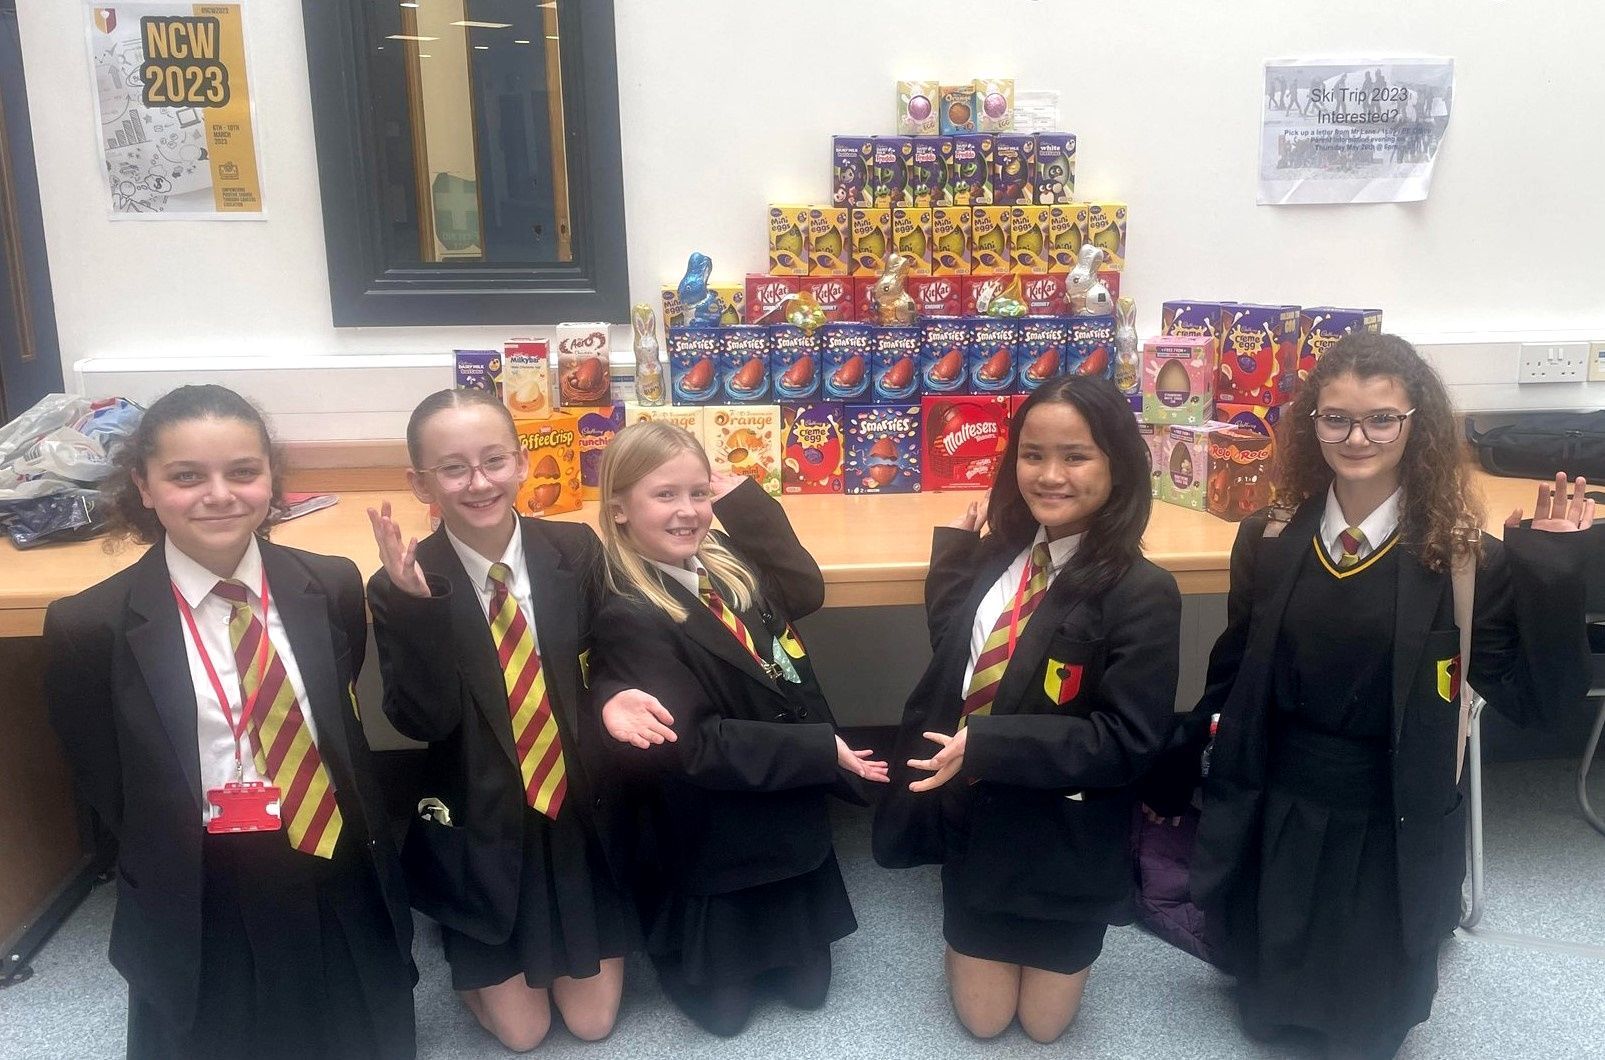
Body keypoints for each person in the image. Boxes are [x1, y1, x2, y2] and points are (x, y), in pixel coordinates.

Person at [1156, 332, 1594, 1059]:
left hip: (1387, 812)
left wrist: (1550, 571)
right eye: (1335, 418)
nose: (1356, 437)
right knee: (1268, 1012)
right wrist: (1178, 769)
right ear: (1311, 423)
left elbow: (1536, 702)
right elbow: (1231, 674)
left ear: (1413, 424)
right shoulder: (1267, 538)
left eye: (1380, 418)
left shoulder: (1458, 557)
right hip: (1281, 804)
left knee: (1365, 1030)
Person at [44, 385, 416, 1059]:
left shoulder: (328, 584)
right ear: (145, 486)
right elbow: (105, 778)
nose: (219, 493)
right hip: (198, 877)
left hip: (330, 855)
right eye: (186, 476)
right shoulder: (88, 626)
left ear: (271, 479)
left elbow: (337, 720)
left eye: (243, 471)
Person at [873, 374, 1183, 1043]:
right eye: (1031, 454)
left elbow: (1126, 741)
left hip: (1066, 841)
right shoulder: (1003, 554)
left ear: (1119, 465)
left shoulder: (1142, 592)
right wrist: (955, 559)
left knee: (1044, 1028)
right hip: (980, 827)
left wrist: (986, 745)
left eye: (1075, 455)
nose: (1048, 475)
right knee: (984, 1023)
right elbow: (967, 656)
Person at [367, 388, 664, 1050]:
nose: (478, 483)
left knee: (592, 1024)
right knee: (522, 1035)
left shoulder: (573, 549)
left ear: (522, 463)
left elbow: (617, 652)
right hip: (484, 820)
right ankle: (463, 930)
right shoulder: (403, 580)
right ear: (421, 483)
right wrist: (417, 611)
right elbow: (424, 719)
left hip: (576, 813)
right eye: (453, 468)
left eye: (493, 460)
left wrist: (613, 693)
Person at [587, 421, 887, 1037]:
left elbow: (803, 588)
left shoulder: (724, 561)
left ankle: (785, 927)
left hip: (782, 805)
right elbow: (693, 747)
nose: (688, 511)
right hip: (711, 828)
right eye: (664, 495)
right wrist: (818, 749)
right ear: (618, 509)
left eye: (698, 494)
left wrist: (744, 500)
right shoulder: (628, 611)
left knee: (809, 994)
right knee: (724, 1018)